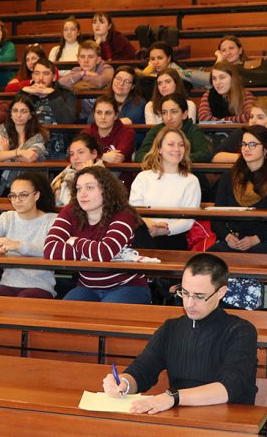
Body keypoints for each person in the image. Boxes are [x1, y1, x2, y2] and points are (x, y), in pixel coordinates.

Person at [101, 253, 258, 411]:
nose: (189, 304)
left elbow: (229, 387)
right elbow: (143, 369)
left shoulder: (240, 331)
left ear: (220, 292)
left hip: (227, 422)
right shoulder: (171, 329)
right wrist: (124, 383)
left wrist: (173, 397)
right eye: (184, 293)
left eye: (199, 296)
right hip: (180, 416)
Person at [43, 166, 150, 304]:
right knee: (63, 317)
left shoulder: (124, 214)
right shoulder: (71, 211)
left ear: (106, 190)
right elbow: (50, 251)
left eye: (89, 188)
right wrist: (92, 252)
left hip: (127, 286)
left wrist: (75, 242)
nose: (82, 194)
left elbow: (104, 253)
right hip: (87, 286)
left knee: (105, 318)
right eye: (78, 188)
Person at [0, 172, 58, 298]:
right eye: (13, 196)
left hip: (40, 285)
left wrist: (18, 246)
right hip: (7, 283)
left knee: (23, 301)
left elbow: (55, 251)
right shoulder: (7, 218)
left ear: (37, 195)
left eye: (23, 195)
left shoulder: (52, 220)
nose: (17, 200)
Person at [209, 125, 267, 254]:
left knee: (264, 253)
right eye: (244, 144)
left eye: (252, 144)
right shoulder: (229, 177)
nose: (246, 149)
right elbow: (216, 218)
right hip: (233, 240)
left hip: (264, 241)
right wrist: (227, 237)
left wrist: (256, 239)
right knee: (212, 257)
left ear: (265, 149)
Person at [129, 126, 202, 251]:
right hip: (145, 232)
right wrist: (151, 225)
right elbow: (134, 212)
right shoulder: (143, 177)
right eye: (171, 144)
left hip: (173, 237)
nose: (177, 149)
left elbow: (188, 221)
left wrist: (163, 230)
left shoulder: (191, 181)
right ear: (159, 149)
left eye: (181, 145)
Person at [19, 59, 76, 158]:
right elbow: (14, 118)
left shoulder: (65, 94)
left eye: (46, 74)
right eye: (37, 73)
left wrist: (52, 95)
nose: (40, 78)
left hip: (58, 143)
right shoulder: (25, 94)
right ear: (32, 76)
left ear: (54, 77)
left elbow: (68, 121)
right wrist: (25, 94)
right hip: (27, 140)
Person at [213, 98, 267, 164]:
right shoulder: (242, 132)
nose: (253, 121)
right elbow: (215, 157)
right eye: (251, 116)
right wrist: (246, 157)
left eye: (260, 117)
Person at [135, 94, 213, 164]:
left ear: (184, 114)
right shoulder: (156, 130)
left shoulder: (193, 130)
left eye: (174, 112)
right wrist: (162, 159)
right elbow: (140, 155)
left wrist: (175, 158)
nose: (168, 118)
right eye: (164, 113)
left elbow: (204, 155)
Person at [51, 133, 105, 207]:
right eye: (72, 154)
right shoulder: (62, 177)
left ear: (94, 154)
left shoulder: (105, 178)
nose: (75, 157)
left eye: (80, 152)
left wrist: (88, 174)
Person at [86, 96, 135, 164]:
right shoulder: (86, 134)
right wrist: (103, 157)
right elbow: (78, 157)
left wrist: (92, 157)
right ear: (94, 114)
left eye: (108, 113)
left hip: (117, 173)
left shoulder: (127, 133)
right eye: (99, 112)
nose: (103, 117)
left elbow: (117, 159)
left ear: (116, 116)